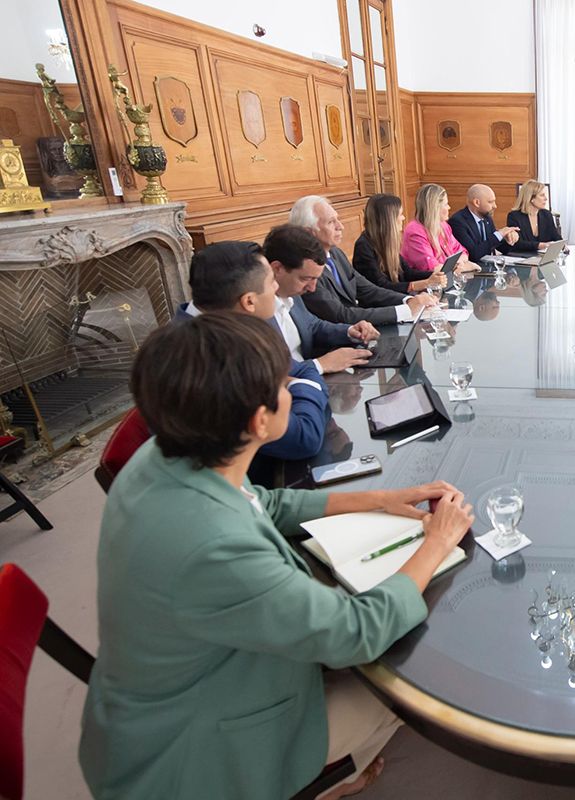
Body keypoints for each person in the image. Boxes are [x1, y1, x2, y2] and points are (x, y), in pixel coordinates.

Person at [79, 313, 476, 800]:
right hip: (195, 755)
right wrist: (437, 543)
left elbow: (264, 502)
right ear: (259, 420)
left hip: (163, 696)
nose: (297, 385)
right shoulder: (214, 546)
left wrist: (379, 498)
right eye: (286, 381)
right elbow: (357, 632)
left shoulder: (172, 451)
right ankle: (331, 780)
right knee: (416, 685)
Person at [176, 240, 328, 462]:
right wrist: (305, 384)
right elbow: (305, 437)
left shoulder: (233, 319)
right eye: (270, 282)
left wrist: (295, 380)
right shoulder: (199, 362)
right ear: (249, 301)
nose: (277, 288)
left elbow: (298, 369)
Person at [289, 195, 435, 327]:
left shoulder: (336, 254)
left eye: (337, 219)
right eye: (331, 222)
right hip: (340, 339)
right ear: (309, 232)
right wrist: (404, 310)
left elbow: (368, 289)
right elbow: (340, 315)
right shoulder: (304, 269)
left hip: (361, 328)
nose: (341, 226)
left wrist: (408, 300)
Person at [263, 224, 378, 375]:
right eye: (306, 279)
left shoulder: (292, 293)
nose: (312, 288)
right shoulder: (256, 310)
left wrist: (350, 331)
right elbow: (269, 370)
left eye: (316, 279)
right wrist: (320, 364)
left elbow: (313, 326)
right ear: (277, 269)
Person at [352, 194, 447, 295]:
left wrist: (434, 275)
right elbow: (381, 286)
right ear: (389, 219)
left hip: (396, 299)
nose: (403, 218)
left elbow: (407, 273)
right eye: (400, 214)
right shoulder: (364, 247)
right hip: (380, 305)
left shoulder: (388, 240)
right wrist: (425, 283)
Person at [400, 183, 479, 274]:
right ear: (435, 208)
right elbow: (432, 268)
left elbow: (462, 252)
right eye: (446, 204)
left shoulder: (444, 226)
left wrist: (459, 264)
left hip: (447, 281)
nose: (449, 207)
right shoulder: (415, 232)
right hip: (426, 285)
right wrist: (463, 266)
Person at [447, 184, 519, 263]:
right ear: (477, 203)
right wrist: (499, 235)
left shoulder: (487, 218)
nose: (495, 206)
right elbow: (473, 254)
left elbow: (500, 247)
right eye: (490, 202)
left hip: (488, 270)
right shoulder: (458, 221)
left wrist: (509, 239)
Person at [507, 180, 562, 252]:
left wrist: (562, 245)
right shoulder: (514, 216)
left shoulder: (546, 214)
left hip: (543, 258)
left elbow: (556, 237)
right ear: (531, 198)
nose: (546, 198)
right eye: (542, 195)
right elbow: (518, 243)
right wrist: (540, 245)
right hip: (522, 258)